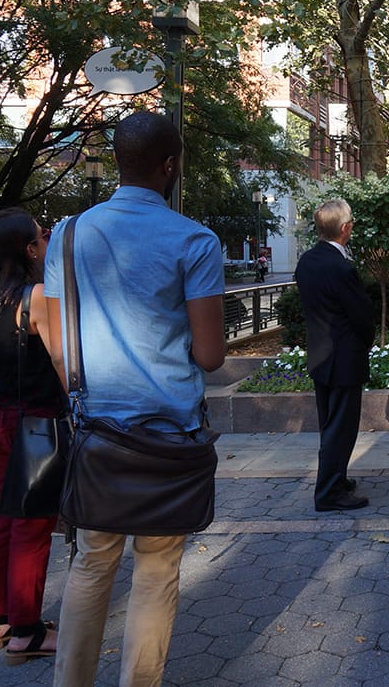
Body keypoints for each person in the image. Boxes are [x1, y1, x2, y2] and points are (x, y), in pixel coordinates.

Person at [43, 111, 227, 686]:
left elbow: (55, 339)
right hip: (167, 439)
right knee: (155, 572)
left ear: (118, 160)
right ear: (170, 166)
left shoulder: (68, 234)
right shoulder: (194, 240)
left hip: (97, 435)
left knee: (91, 563)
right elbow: (211, 355)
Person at [0, 209, 62, 664]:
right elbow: (63, 364)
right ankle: (26, 632)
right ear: (27, 249)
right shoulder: (34, 297)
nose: (44, 244)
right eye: (40, 238)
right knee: (31, 524)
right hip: (34, 421)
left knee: (0, 516)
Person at [295, 199, 375, 511]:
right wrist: (365, 342)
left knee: (330, 426)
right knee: (340, 429)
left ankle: (336, 479)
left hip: (319, 356)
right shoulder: (341, 267)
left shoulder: (307, 262)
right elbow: (361, 315)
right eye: (351, 221)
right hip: (343, 359)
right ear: (345, 229)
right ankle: (329, 492)